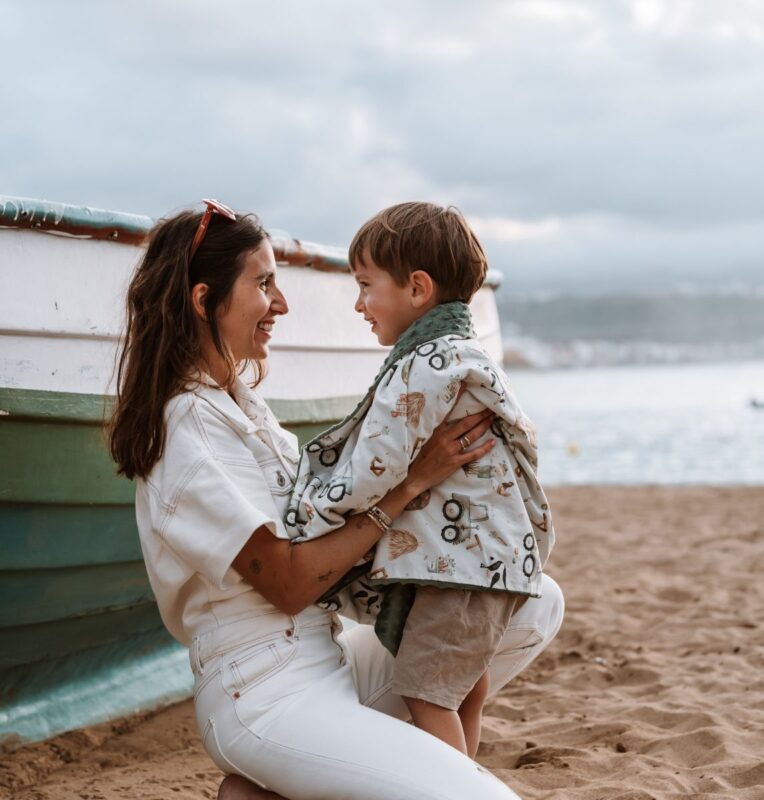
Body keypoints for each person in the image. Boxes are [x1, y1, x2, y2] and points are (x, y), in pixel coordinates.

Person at [108, 199, 564, 800]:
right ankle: (301, 766)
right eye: (264, 283)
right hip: (265, 689)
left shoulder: (243, 406)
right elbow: (291, 584)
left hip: (326, 652)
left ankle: (272, 791)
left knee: (530, 598)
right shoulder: (190, 427)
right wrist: (408, 486)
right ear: (202, 300)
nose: (281, 304)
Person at [283, 202, 556, 758]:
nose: (358, 304)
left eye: (365, 286)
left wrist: (312, 510)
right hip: (489, 563)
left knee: (426, 696)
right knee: (463, 691)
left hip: (460, 570)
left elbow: (374, 466)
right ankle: (466, 777)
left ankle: (451, 788)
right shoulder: (467, 355)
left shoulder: (425, 365)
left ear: (417, 289)